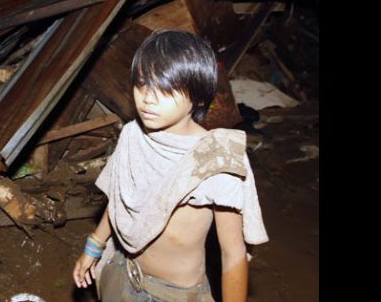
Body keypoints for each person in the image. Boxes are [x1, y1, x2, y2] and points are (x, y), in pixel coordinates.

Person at [72, 29, 268, 302]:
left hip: (174, 295)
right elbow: (121, 201)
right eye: (142, 84)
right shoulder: (133, 135)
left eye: (165, 88)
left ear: (198, 97)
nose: (148, 98)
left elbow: (233, 253)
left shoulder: (214, 160)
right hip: (123, 273)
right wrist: (94, 247)